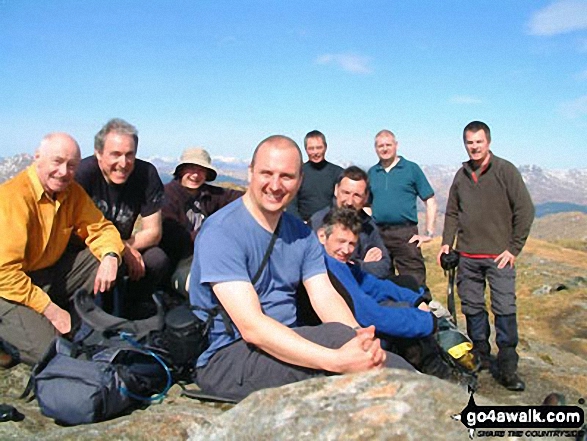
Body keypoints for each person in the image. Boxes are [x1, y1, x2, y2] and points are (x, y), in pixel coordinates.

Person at [190, 135, 413, 401]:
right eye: (266, 173)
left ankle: (429, 405)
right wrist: (335, 360)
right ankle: (434, 408)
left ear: (299, 180)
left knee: (348, 339)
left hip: (288, 341)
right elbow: (252, 327)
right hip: (230, 357)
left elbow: (325, 296)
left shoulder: (301, 234)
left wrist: (357, 338)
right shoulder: (222, 232)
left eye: (286, 176)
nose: (275, 185)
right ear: (250, 172)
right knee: (343, 350)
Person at [0, 133, 124, 365]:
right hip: (8, 289)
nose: (64, 171)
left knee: (106, 259)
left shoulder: (71, 192)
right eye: (57, 162)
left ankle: (84, 325)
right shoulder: (12, 198)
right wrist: (50, 310)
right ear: (38, 158)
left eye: (72, 165)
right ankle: (8, 339)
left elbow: (100, 227)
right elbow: (4, 274)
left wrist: (110, 256)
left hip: (45, 274)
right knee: (52, 352)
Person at [437, 121, 534, 392]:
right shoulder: (462, 174)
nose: (474, 146)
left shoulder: (505, 170)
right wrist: (447, 243)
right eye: (469, 142)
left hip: (498, 257)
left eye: (478, 141)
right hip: (467, 256)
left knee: (504, 309)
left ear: (488, 142)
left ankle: (507, 367)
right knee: (472, 308)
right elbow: (453, 212)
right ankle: (479, 357)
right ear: (464, 144)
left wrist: (513, 248)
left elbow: (525, 210)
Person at [315, 206, 454, 379]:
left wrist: (416, 300)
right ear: (322, 236)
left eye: (351, 244)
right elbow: (370, 315)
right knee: (403, 329)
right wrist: (429, 321)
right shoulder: (326, 267)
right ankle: (443, 380)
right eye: (341, 241)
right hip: (341, 338)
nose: (346, 250)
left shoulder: (340, 264)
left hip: (355, 328)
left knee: (402, 302)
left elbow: (374, 285)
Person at [75, 118, 168, 318]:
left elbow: (153, 232)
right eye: (115, 155)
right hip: (87, 248)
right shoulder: (82, 175)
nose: (123, 163)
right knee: (104, 265)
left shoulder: (146, 174)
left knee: (156, 259)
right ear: (98, 154)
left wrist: (123, 248)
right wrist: (119, 250)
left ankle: (133, 305)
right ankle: (93, 314)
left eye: (129, 155)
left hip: (124, 245)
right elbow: (72, 231)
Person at [160, 147, 243, 295]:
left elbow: (237, 197)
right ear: (181, 170)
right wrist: (212, 236)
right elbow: (175, 239)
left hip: (209, 257)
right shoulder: (167, 195)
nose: (195, 175)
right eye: (191, 168)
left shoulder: (208, 194)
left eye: (201, 170)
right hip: (181, 261)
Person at [368, 130, 437, 298]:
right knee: (381, 278)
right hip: (378, 232)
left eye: (388, 145)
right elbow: (367, 205)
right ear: (375, 148)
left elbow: (430, 201)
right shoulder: (372, 172)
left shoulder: (411, 169)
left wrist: (428, 233)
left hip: (405, 233)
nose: (384, 149)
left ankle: (424, 316)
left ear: (396, 145)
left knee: (414, 280)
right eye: (380, 145)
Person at [309, 166, 391, 280]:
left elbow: (384, 266)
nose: (349, 201)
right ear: (336, 190)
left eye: (357, 195)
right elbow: (317, 264)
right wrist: (361, 265)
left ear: (366, 197)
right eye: (346, 193)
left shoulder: (369, 225)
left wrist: (358, 265)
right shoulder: (319, 221)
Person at [287, 130, 343, 222]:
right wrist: (300, 225)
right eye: (311, 148)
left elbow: (341, 201)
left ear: (325, 147)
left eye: (319, 147)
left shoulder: (338, 173)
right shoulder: (298, 173)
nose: (315, 152)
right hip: (304, 224)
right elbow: (291, 204)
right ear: (306, 150)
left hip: (331, 224)